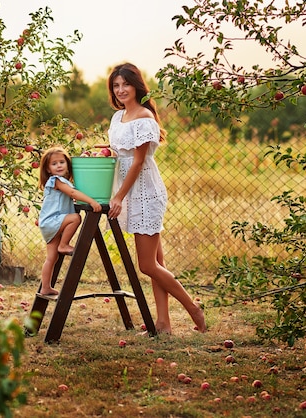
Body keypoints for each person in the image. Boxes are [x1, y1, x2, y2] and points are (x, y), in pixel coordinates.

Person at [106, 63, 207, 333]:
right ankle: (163, 323)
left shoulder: (144, 118)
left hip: (145, 192)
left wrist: (118, 197)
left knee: (147, 265)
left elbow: (138, 162)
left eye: (125, 84)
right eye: (116, 86)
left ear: (136, 86)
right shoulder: (118, 118)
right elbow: (121, 154)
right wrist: (106, 154)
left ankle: (193, 308)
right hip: (129, 190)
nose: (120, 90)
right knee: (157, 264)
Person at [38, 146, 102, 296]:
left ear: (67, 164)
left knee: (51, 258)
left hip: (48, 223)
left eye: (62, 162)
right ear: (48, 169)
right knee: (75, 218)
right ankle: (64, 244)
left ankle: (45, 287)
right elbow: (72, 192)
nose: (59, 165)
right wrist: (92, 201)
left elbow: (71, 192)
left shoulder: (61, 181)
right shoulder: (56, 180)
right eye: (54, 164)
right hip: (53, 221)